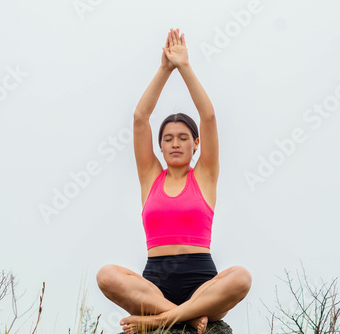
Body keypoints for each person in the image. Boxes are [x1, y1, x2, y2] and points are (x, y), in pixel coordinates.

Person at [96, 28, 252, 334]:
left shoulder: (204, 175)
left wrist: (185, 67)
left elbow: (208, 118)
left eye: (183, 138)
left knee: (242, 277)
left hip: (202, 285)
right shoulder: (151, 177)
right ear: (160, 145)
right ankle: (182, 315)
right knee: (106, 275)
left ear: (196, 144)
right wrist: (165, 68)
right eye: (168, 138)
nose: (175, 143)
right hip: (156, 286)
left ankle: (161, 321)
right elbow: (140, 117)